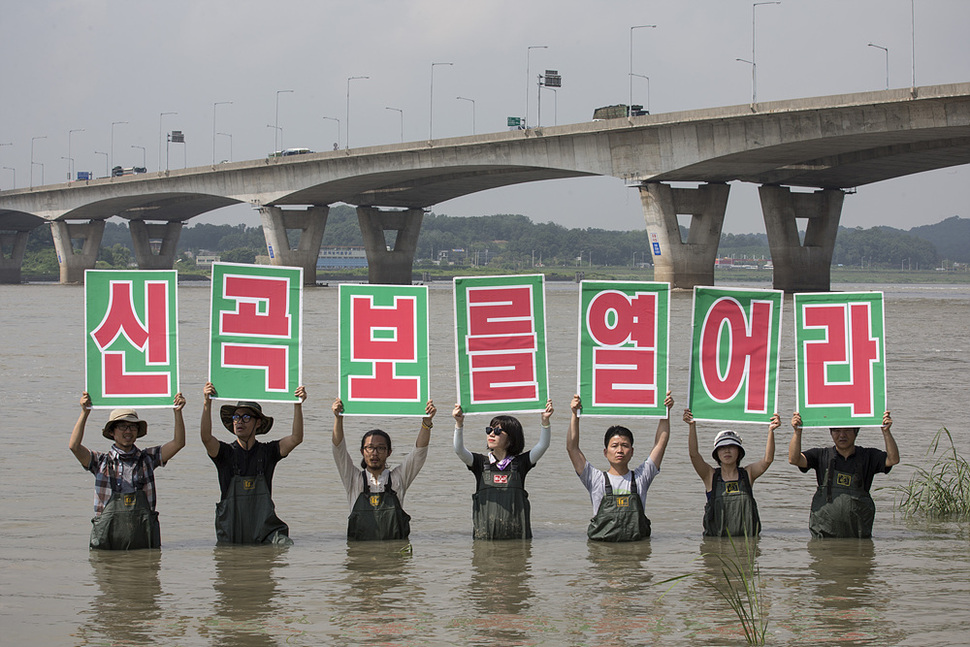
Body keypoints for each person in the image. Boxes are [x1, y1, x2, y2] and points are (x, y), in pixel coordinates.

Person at [69, 391, 186, 550]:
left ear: (138, 431)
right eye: (122, 426)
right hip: (108, 537)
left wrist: (177, 412)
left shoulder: (148, 459)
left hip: (142, 536)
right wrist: (84, 412)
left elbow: (178, 443)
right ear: (112, 432)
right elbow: (74, 447)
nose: (128, 431)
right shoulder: (100, 462)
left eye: (132, 426)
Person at [200, 381, 306, 545]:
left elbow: (296, 438)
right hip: (232, 535)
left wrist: (297, 405)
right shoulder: (225, 453)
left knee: (286, 545)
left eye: (246, 417)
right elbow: (206, 438)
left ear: (258, 423)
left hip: (265, 533)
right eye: (236, 417)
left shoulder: (267, 452)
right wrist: (207, 403)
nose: (239, 421)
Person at [566, 392, 673, 542]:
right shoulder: (595, 479)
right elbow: (572, 448)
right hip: (603, 554)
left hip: (635, 554)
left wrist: (665, 412)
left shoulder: (642, 477)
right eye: (614, 446)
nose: (620, 450)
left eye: (625, 446)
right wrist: (574, 415)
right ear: (605, 452)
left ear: (632, 451)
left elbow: (660, 444)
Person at [331, 398, 436, 540]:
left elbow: (419, 453)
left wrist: (426, 422)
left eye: (380, 448)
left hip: (394, 556)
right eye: (370, 448)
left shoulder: (398, 478)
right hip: (361, 556)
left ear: (389, 452)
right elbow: (339, 450)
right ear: (362, 451)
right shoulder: (353, 479)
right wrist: (338, 418)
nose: (375, 453)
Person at [452, 399, 554, 540]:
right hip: (485, 540)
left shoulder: (521, 463)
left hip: (517, 540)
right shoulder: (480, 463)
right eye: (489, 430)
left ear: (511, 439)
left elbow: (543, 445)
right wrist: (459, 423)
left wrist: (545, 421)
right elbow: (459, 450)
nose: (491, 434)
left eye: (498, 431)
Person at [788, 410, 899, 538]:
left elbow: (893, 459)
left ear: (856, 432)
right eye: (836, 431)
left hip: (858, 536)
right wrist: (797, 432)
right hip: (824, 537)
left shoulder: (868, 456)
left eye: (847, 430)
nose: (842, 435)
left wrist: (886, 432)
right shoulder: (820, 455)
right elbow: (794, 459)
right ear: (831, 432)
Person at [684, 409, 780, 538]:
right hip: (716, 547)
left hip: (746, 547)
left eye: (731, 447)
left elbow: (768, 460)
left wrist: (771, 431)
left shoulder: (748, 474)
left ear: (739, 452)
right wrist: (691, 426)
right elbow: (694, 455)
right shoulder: (710, 476)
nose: (727, 451)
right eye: (722, 447)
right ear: (717, 453)